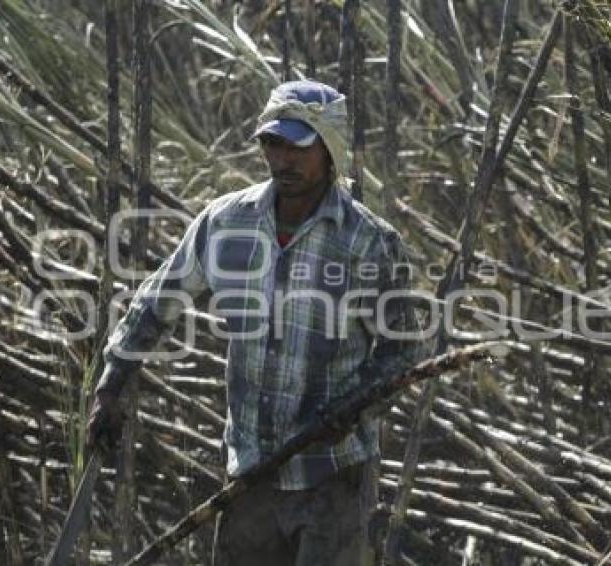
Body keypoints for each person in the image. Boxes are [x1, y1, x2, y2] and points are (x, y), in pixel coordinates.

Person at [87, 79, 430, 566]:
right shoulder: (227, 223)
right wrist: (112, 383)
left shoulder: (368, 243)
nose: (282, 160)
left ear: (329, 151)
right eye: (273, 144)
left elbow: (403, 352)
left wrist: (350, 410)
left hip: (334, 476)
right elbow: (155, 302)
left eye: (297, 147)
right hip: (252, 472)